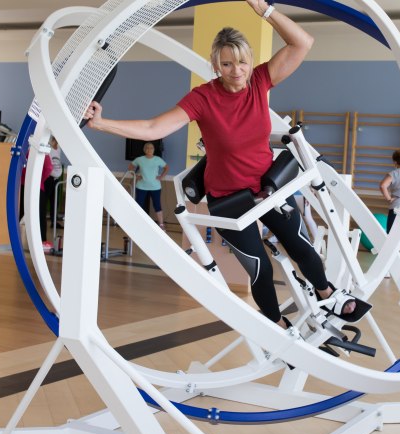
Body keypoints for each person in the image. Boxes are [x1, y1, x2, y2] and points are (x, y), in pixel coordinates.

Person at [84, 0, 360, 330]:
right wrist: (101, 124)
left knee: (301, 247)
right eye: (227, 64)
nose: (237, 71)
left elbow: (303, 43)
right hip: (229, 200)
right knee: (261, 267)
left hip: (267, 187)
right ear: (217, 64)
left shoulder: (260, 81)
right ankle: (276, 326)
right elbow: (153, 128)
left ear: (250, 61)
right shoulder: (203, 98)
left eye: (242, 62)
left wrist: (265, 11)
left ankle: (326, 293)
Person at [131, 142, 169, 229]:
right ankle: (136, 223)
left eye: (151, 148)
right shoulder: (139, 159)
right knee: (138, 205)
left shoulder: (157, 159)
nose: (149, 149)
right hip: (141, 186)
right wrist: (135, 176)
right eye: (147, 148)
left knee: (157, 205)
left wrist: (161, 176)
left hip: (155, 187)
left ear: (154, 150)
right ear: (144, 150)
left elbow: (166, 167)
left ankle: (161, 224)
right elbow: (130, 167)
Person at [44, 137, 63, 230]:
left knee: (54, 202)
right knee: (45, 199)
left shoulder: (58, 149)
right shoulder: (49, 149)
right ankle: (42, 219)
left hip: (56, 179)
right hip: (49, 178)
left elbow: (57, 161)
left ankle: (54, 221)